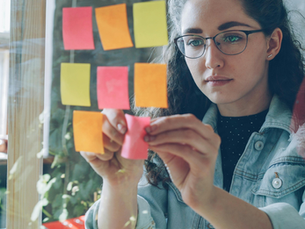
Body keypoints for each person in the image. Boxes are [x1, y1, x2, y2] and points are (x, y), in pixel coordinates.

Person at [82, 0, 305, 228]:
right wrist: (120, 183)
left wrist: (208, 199)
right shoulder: (166, 141)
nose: (211, 61)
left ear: (272, 44)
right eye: (195, 42)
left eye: (231, 37)